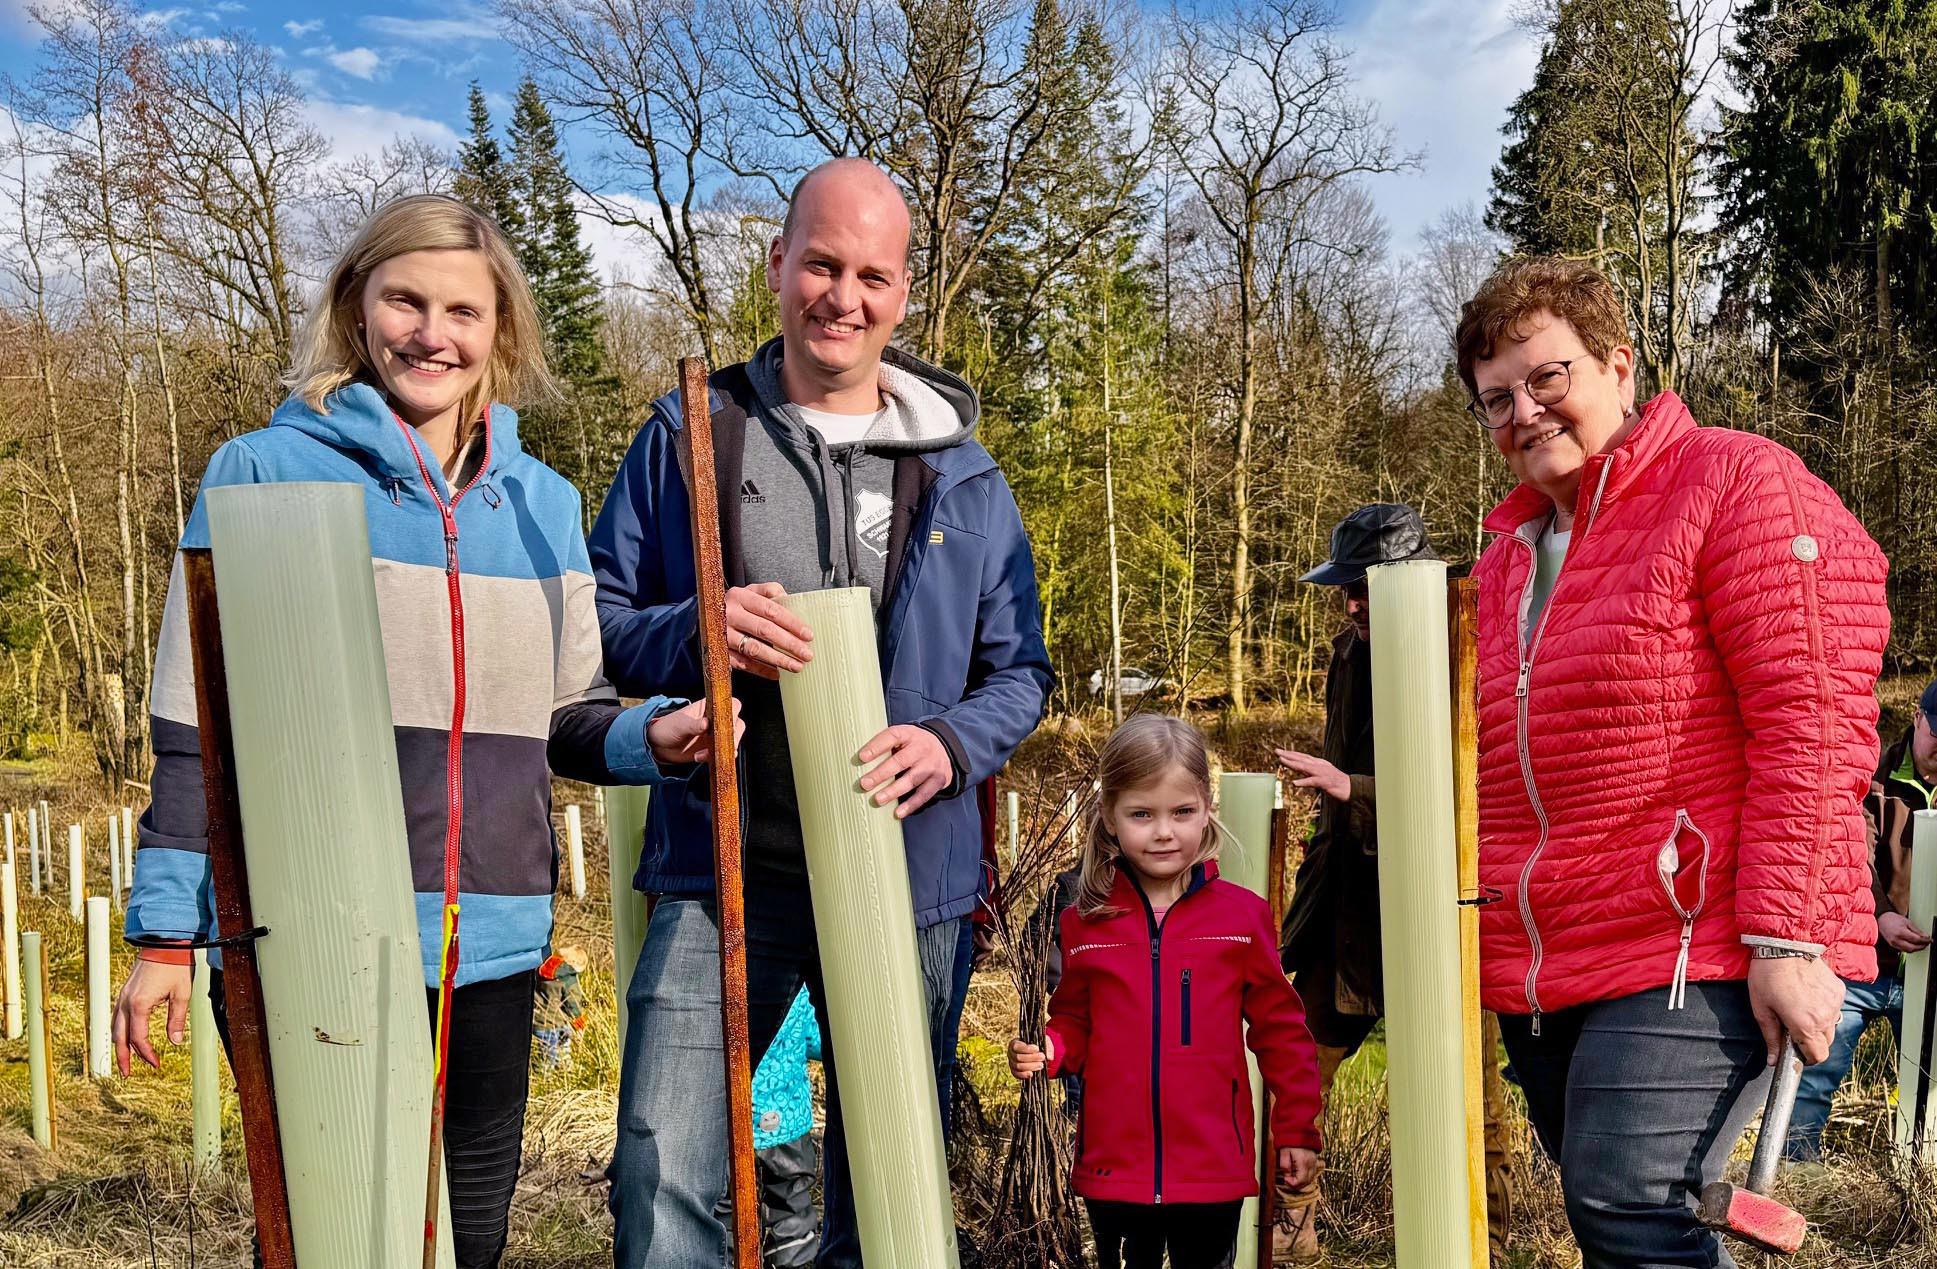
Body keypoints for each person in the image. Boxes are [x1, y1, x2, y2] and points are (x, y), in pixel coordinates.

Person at [111, 195, 730, 1269]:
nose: (431, 334)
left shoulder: (542, 505)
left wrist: (653, 738)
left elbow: (565, 715)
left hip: (492, 939)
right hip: (313, 936)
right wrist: (167, 933)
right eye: (406, 301)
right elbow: (193, 722)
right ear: (358, 304)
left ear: (501, 331)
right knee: (337, 1240)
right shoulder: (261, 473)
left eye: (462, 311)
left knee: (467, 1238)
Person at [591, 156, 1053, 1267]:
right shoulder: (691, 437)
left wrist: (948, 745)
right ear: (776, 263)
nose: (842, 297)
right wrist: (699, 628)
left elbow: (1021, 674)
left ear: (903, 294)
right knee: (666, 1164)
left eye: (871, 275)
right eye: (820, 264)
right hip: (722, 871)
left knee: (887, 1189)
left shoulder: (966, 476)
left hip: (908, 879)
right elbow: (598, 621)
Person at [1460, 255, 1889, 1267]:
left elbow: (1812, 712)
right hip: (1553, 953)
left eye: (1546, 376)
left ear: (1618, 365)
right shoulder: (1502, 560)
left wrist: (1788, 936)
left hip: (1699, 937)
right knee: (1620, 1225)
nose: (1523, 412)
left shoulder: (1733, 481)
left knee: (1629, 1203)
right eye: (1496, 399)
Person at [1273, 504, 1513, 1264]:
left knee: (1470, 1097)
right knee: (1290, 1072)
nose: (1349, 604)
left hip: (1445, 911)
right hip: (1346, 905)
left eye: (1363, 588)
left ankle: (1482, 1247)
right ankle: (1290, 1228)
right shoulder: (1349, 652)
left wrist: (1355, 790)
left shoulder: (1474, 649)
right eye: (1344, 589)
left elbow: (1473, 791)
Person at [1007, 714, 1322, 1269]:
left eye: (1182, 812)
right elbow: (1075, 1020)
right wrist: (1049, 1049)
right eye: (1141, 814)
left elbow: (1282, 1032)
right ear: (1109, 817)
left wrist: (1296, 1128)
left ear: (1207, 808)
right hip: (1114, 1168)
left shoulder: (1241, 918)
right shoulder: (1084, 921)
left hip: (1212, 1167)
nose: (1163, 832)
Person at [1784, 678, 1937, 1161]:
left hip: (1928, 975)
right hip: (1859, 963)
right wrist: (1881, 916)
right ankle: (1794, 1170)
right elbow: (1851, 857)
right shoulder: (1870, 779)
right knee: (1816, 1071)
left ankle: (1917, 1173)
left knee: (1927, 1087)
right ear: (1918, 718)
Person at [748, 988, 824, 1269]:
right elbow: (818, 1040)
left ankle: (729, 1257)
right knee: (791, 1206)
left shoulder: (717, 986)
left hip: (731, 1127)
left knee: (724, 1210)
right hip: (788, 1123)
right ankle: (793, 1259)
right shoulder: (795, 986)